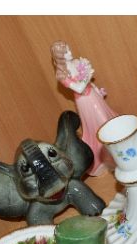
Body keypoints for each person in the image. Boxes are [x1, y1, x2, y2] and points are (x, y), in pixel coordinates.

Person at [50, 41, 117, 176]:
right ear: (60, 56)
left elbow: (87, 84)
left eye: (69, 48)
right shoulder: (62, 74)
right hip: (85, 101)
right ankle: (110, 157)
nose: (70, 52)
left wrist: (96, 89)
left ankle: (121, 145)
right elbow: (79, 88)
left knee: (108, 117)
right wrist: (87, 76)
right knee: (101, 124)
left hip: (93, 95)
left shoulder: (76, 63)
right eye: (66, 51)